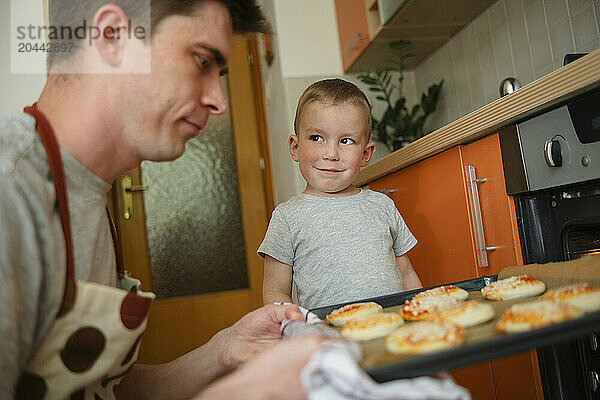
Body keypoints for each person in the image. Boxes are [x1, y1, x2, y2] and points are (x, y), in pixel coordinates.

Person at [0, 1, 323, 399]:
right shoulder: (10, 191)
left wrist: (224, 351)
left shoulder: (88, 193)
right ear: (113, 36)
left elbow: (104, 392)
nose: (218, 101)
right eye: (202, 61)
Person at [260, 78, 423, 309]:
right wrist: (300, 331)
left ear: (366, 154)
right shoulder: (286, 217)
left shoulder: (383, 205)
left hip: (393, 330)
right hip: (328, 338)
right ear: (295, 147)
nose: (331, 154)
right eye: (317, 138)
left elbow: (407, 274)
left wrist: (422, 311)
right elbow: (275, 294)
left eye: (346, 141)